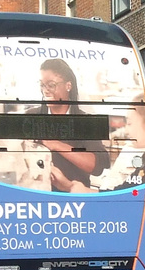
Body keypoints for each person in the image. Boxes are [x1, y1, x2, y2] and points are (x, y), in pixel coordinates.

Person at [30, 59, 110, 190]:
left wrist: (57, 145)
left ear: (68, 86)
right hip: (34, 197)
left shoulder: (86, 122)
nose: (45, 91)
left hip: (75, 199)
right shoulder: (30, 117)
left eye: (51, 85)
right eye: (42, 85)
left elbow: (96, 166)